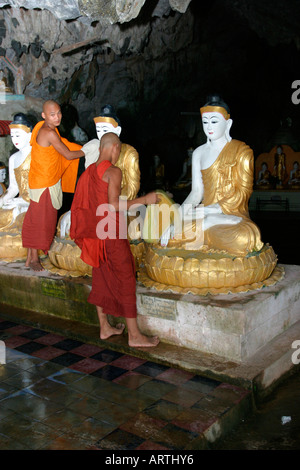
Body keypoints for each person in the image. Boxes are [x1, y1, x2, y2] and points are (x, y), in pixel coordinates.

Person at [70, 132, 159, 347]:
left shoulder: (87, 173)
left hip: (95, 236)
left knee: (100, 279)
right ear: (115, 148)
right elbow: (112, 206)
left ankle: (104, 327)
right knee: (127, 278)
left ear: (101, 148)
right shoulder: (113, 171)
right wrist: (145, 200)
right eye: (118, 150)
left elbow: (80, 207)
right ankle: (135, 336)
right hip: (111, 233)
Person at [160, 95, 263, 256]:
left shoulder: (242, 151)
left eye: (214, 121)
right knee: (167, 235)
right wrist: (176, 218)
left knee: (245, 237)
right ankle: (206, 226)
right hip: (204, 215)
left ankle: (206, 228)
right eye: (205, 122)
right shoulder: (199, 153)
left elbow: (243, 192)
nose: (209, 126)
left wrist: (213, 210)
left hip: (231, 216)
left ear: (227, 124)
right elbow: (196, 193)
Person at [21, 100, 85, 271]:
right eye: (52, 114)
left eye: (58, 113)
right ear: (44, 116)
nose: (57, 117)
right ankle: (34, 259)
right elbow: (68, 155)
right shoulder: (47, 132)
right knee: (40, 222)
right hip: (44, 183)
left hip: (42, 181)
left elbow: (61, 147)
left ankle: (30, 258)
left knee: (36, 219)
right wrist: (88, 150)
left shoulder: (47, 128)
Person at [0, 114, 33, 231]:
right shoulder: (13, 158)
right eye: (12, 136)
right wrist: (3, 199)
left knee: (13, 214)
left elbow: (43, 188)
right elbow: (14, 187)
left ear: (30, 135)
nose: (15, 140)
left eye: (18, 135)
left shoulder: (37, 156)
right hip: (19, 200)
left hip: (34, 203)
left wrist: (22, 201)